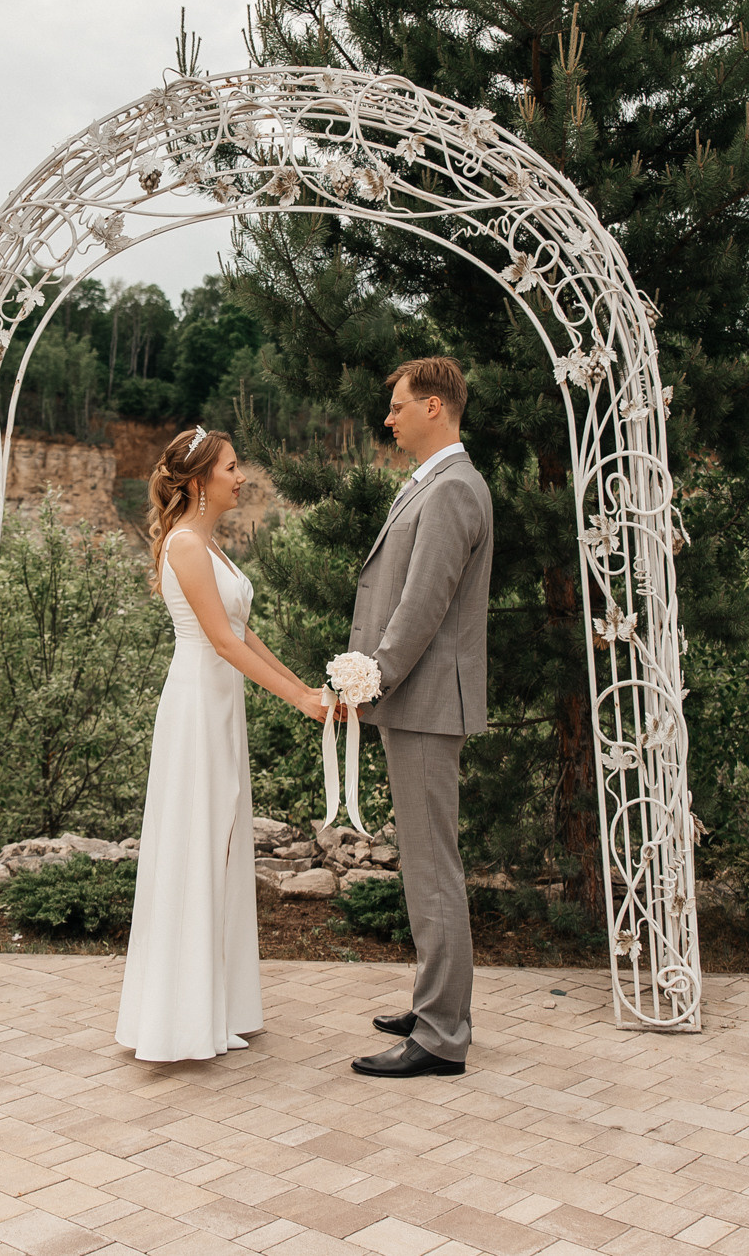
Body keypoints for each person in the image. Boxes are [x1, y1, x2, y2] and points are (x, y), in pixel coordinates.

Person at [114, 425, 331, 1063]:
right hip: (195, 709)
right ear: (201, 480)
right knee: (196, 843)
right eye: (232, 467)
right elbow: (222, 643)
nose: (242, 477)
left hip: (221, 704)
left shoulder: (214, 548)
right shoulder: (184, 544)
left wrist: (308, 691)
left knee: (223, 844)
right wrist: (293, 700)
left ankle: (217, 1004)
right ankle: (179, 1018)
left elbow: (246, 632)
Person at [341, 356, 492, 1078]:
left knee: (434, 870)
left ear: (435, 407)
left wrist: (372, 677)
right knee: (428, 865)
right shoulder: (433, 483)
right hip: (419, 701)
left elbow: (424, 603)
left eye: (398, 407)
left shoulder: (456, 489)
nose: (389, 418)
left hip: (426, 701)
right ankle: (440, 1004)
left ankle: (438, 1035)